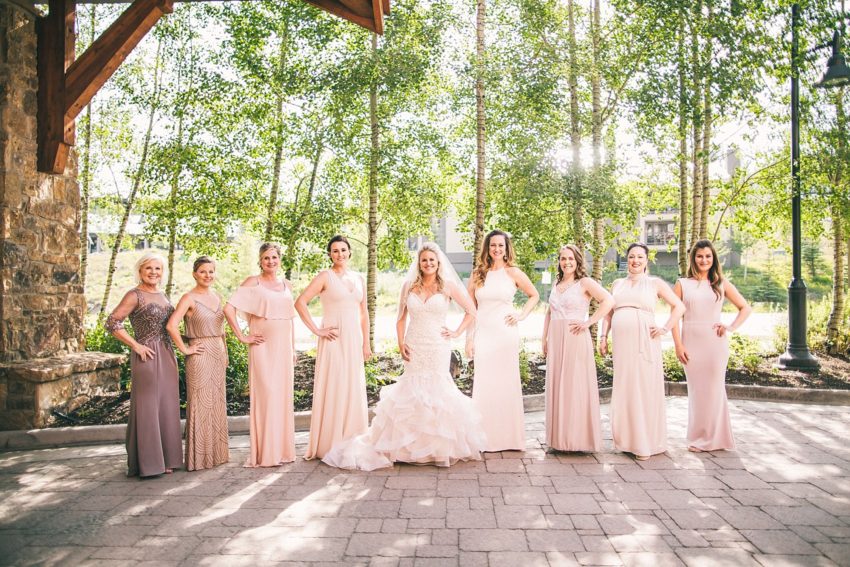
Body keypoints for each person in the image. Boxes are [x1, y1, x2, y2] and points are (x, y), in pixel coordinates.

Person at [322, 242, 485, 470]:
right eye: (424, 260)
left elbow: (472, 310)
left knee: (437, 391)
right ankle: (408, 447)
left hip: (438, 345)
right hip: (414, 344)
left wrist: (457, 331)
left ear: (438, 263)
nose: (428, 263)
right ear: (419, 264)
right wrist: (400, 344)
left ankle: (437, 448)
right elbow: (400, 319)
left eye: (432, 260)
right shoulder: (409, 286)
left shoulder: (447, 286)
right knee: (412, 391)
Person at [599, 243, 685, 461]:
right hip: (621, 344)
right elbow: (608, 314)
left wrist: (665, 328)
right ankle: (628, 440)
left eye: (639, 257)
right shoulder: (618, 284)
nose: (635, 261)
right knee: (625, 386)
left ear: (647, 260)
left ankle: (645, 442)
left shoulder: (654, 283)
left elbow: (679, 307)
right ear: (626, 260)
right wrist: (603, 336)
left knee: (643, 386)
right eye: (631, 257)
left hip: (644, 343)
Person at [105, 253, 182, 477]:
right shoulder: (134, 294)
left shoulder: (161, 294)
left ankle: (166, 459)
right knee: (148, 406)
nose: (153, 272)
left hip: (167, 354)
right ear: (140, 271)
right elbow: (112, 322)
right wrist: (135, 345)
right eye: (149, 268)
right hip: (147, 354)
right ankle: (148, 462)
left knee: (166, 405)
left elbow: (170, 325)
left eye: (158, 269)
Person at [295, 236, 371, 460]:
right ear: (330, 254)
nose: (340, 254)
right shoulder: (324, 276)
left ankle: (352, 436)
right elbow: (300, 302)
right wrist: (317, 331)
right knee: (335, 384)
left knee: (352, 385)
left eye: (343, 250)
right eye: (335, 251)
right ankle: (330, 442)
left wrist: (366, 342)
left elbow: (363, 313)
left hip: (353, 339)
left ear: (349, 253)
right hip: (333, 339)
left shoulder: (359, 278)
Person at [672, 239, 751, 452]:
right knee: (697, 391)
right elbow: (674, 318)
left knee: (715, 390)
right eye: (699, 256)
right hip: (691, 343)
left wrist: (730, 327)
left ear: (713, 258)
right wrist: (678, 346)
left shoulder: (721, 283)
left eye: (708, 256)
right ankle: (699, 438)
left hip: (715, 344)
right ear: (693, 259)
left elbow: (745, 308)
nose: (704, 260)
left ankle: (718, 439)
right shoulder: (682, 284)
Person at [224, 243, 296, 467]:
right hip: (262, 346)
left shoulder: (286, 284)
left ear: (279, 259)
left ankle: (282, 451)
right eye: (266, 258)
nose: (271, 261)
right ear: (260, 260)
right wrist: (242, 337)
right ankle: (266, 453)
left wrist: (292, 348)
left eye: (274, 257)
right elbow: (228, 309)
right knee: (267, 395)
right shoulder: (252, 282)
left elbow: (290, 319)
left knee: (282, 397)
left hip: (283, 347)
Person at [467, 230, 539, 452]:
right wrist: (468, 338)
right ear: (487, 249)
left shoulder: (513, 272)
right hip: (483, 333)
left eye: (501, 245)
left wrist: (521, 315)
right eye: (493, 245)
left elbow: (534, 295)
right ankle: (484, 438)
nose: (497, 249)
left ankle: (508, 439)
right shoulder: (478, 274)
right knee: (485, 384)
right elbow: (471, 309)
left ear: (507, 248)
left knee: (506, 383)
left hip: (505, 333)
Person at [542, 244, 615, 453]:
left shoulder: (585, 282)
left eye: (570, 259)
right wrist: (544, 338)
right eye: (563, 259)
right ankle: (559, 440)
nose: (566, 262)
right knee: (558, 385)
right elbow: (549, 311)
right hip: (556, 338)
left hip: (575, 337)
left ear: (578, 261)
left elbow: (609, 300)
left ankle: (578, 440)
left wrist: (589, 322)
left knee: (575, 386)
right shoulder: (557, 283)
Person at [166, 256, 229, 471]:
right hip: (199, 355)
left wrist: (226, 353)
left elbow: (222, 330)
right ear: (195, 274)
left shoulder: (218, 297)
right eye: (203, 271)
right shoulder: (189, 298)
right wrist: (185, 349)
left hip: (218, 354)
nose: (208, 275)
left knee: (217, 403)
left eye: (211, 271)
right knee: (201, 404)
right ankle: (200, 458)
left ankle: (217, 455)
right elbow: (172, 326)